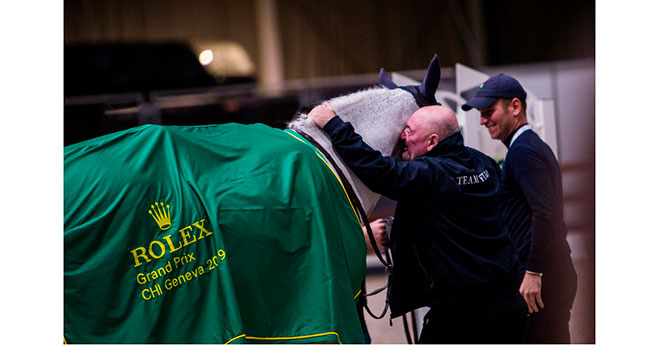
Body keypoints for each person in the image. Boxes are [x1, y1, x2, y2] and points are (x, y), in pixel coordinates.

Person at [309, 103, 527, 344]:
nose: (403, 135)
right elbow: (455, 212)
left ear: (432, 142)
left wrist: (334, 125)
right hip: (508, 302)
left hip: (462, 314)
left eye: (410, 131)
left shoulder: (431, 173)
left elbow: (379, 170)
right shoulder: (483, 164)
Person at [462, 74, 578, 343]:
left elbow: (545, 213)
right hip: (548, 274)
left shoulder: (523, 151)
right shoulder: (523, 148)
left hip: (544, 277)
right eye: (480, 114)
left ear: (515, 107)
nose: (482, 120)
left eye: (489, 111)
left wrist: (534, 271)